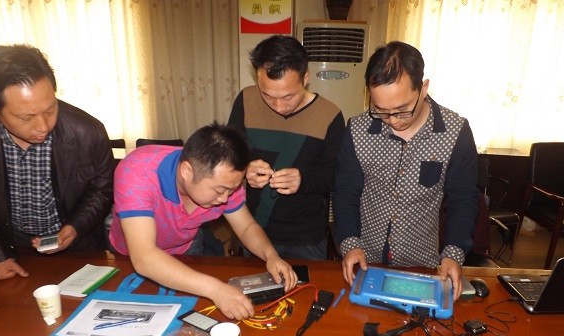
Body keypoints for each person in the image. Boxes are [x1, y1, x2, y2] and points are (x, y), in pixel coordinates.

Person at [333, 41, 479, 300]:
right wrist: (350, 243)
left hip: (423, 263)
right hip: (365, 260)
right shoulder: (358, 129)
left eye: (402, 110)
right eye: (381, 110)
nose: (392, 120)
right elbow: (345, 193)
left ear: (424, 88)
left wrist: (453, 254)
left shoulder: (455, 131)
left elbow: (463, 199)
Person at [108, 122, 298, 320]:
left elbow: (247, 227)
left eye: (231, 190)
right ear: (186, 172)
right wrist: (216, 289)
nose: (225, 199)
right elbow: (144, 257)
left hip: (185, 250)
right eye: (219, 190)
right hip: (129, 256)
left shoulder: (226, 180)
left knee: (187, 314)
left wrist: (271, 255)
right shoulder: (137, 172)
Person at [0, 44, 115, 281]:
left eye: (50, 109)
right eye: (26, 117)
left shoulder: (88, 132)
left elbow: (103, 188)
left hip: (78, 247)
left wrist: (75, 227)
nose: (43, 126)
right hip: (9, 247)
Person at [228, 35, 345, 260]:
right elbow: (230, 155)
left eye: (288, 97)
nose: (279, 106)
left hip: (306, 237)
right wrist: (245, 168)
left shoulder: (330, 115)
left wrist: (303, 180)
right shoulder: (246, 100)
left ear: (305, 78)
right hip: (254, 229)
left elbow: (335, 177)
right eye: (267, 95)